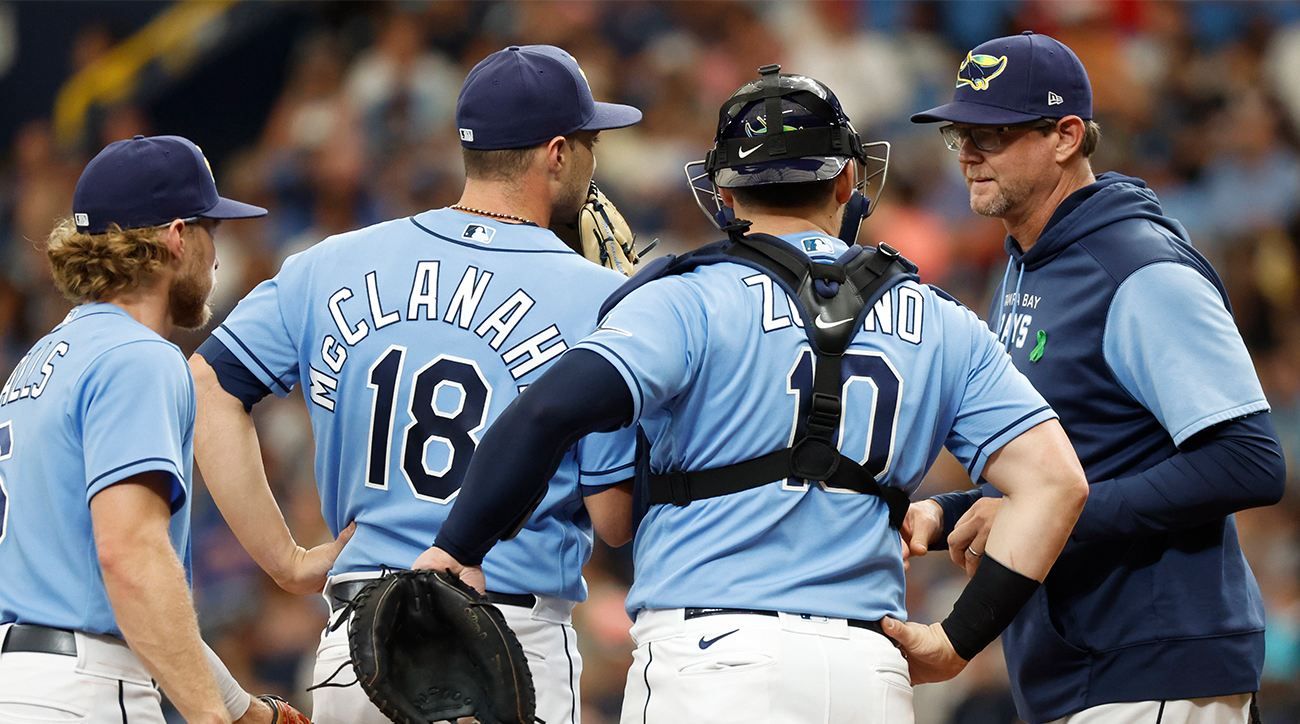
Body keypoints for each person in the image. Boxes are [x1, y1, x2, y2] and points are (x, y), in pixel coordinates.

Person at [413, 66, 1089, 724]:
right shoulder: (941, 318)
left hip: (713, 661)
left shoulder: (684, 299)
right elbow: (1057, 484)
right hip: (867, 669)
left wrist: (457, 549)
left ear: (722, 194)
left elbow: (547, 410)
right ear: (849, 178)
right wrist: (957, 640)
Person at [189, 44, 642, 724]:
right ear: (556, 153)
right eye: (589, 141)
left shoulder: (330, 262)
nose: (593, 157)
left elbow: (207, 385)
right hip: (506, 642)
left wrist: (284, 560)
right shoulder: (602, 298)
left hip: (361, 641)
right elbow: (614, 520)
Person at [908, 31, 1287, 724]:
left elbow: (1250, 462)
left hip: (1155, 665)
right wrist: (951, 512)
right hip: (1082, 667)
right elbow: (1085, 455)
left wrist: (1033, 515)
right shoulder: (1029, 260)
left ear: (1066, 136)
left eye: (993, 134)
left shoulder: (1138, 267)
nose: (967, 152)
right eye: (961, 132)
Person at [0, 135, 303, 724]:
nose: (217, 252)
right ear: (175, 236)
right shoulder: (139, 356)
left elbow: (133, 600)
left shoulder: (42, 359)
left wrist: (243, 711)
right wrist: (210, 718)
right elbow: (130, 555)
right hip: (84, 690)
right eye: (210, 228)